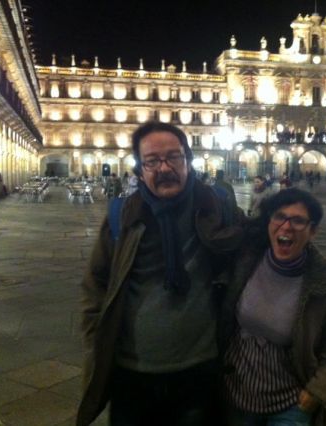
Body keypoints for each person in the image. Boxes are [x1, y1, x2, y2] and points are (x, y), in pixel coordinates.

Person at [78, 121, 243, 426]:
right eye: (152, 161)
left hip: (200, 371)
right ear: (140, 169)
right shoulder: (121, 216)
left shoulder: (216, 208)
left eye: (174, 157)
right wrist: (96, 343)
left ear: (188, 161)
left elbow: (259, 244)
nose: (164, 167)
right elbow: (95, 287)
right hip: (132, 374)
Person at [220, 188, 326, 426]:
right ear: (269, 222)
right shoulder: (245, 264)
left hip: (291, 403)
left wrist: (318, 391)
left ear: (313, 231)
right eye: (279, 216)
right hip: (236, 396)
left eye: (298, 221)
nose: (287, 226)